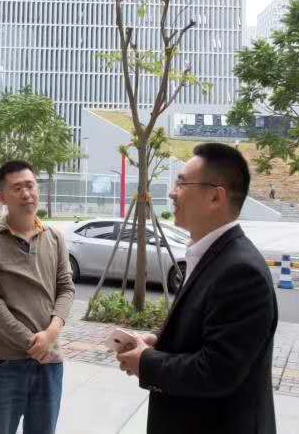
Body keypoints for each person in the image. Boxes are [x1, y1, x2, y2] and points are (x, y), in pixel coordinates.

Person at [117, 143, 278, 434]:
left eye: (181, 183)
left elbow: (217, 370)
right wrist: (160, 345)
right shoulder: (211, 255)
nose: (172, 193)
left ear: (215, 197)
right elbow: (203, 336)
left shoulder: (241, 272)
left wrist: (147, 362)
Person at [0, 160, 75, 434]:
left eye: (30, 185)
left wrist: (51, 333)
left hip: (49, 362)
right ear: (2, 198)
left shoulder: (55, 238)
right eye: (17, 188)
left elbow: (66, 288)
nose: (26, 193)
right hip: (3, 364)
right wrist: (31, 342)